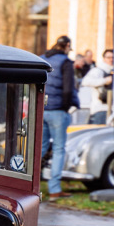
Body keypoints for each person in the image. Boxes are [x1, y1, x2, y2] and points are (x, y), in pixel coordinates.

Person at [41, 35, 79, 199]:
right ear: (67, 46)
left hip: (42, 109)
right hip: (58, 111)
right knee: (58, 149)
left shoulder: (43, 59)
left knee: (39, 149)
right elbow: (68, 88)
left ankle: (28, 186)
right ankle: (55, 189)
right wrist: (65, 106)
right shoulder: (65, 62)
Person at [81, 49, 114, 124]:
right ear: (104, 58)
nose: (111, 60)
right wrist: (105, 81)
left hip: (113, 109)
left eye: (113, 57)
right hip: (100, 109)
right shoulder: (98, 70)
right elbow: (85, 82)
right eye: (108, 57)